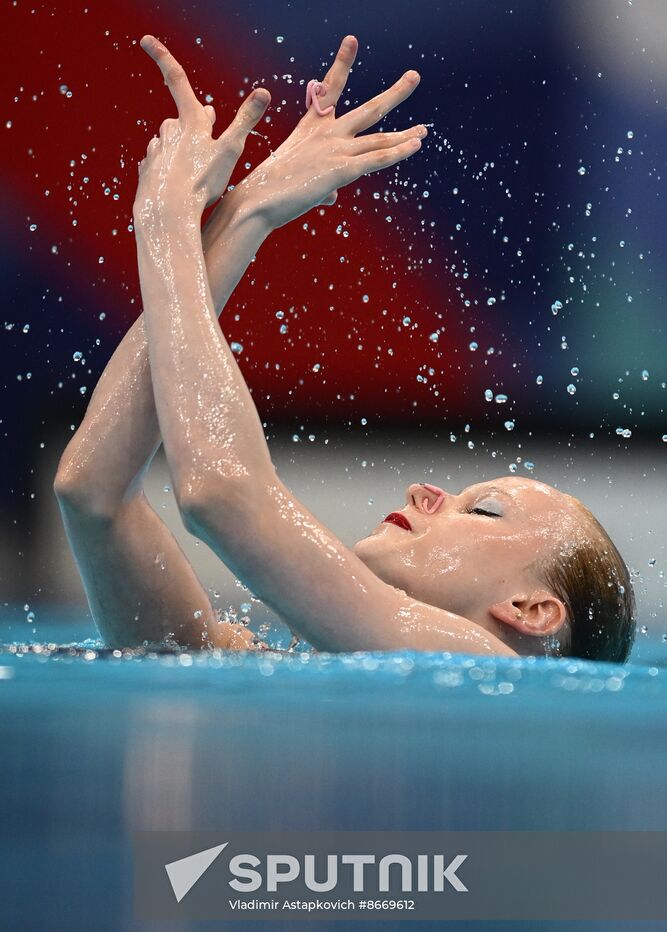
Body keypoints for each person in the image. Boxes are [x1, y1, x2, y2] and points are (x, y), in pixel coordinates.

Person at [54, 34, 636, 662]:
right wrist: (246, 213)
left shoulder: (496, 669)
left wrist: (168, 219)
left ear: (532, 612)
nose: (424, 491)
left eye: (484, 511)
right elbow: (93, 495)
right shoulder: (277, 666)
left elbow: (221, 494)